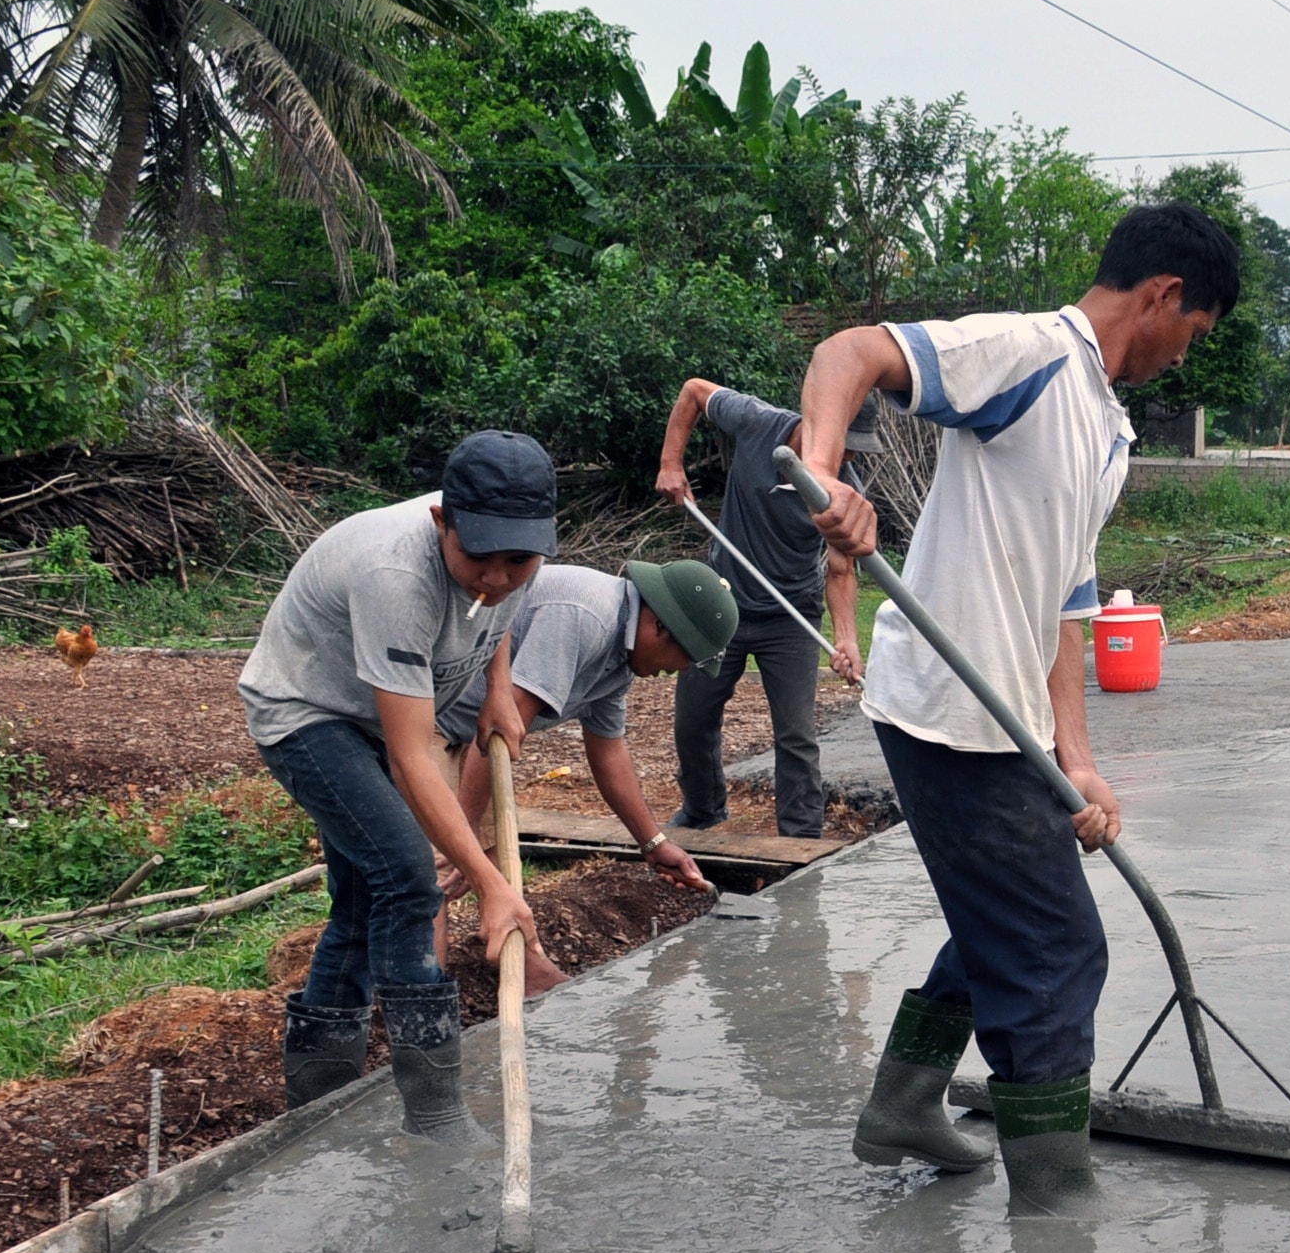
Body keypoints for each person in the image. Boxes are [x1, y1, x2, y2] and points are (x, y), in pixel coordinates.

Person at [782, 203, 1239, 1201]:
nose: (1180, 357)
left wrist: (1075, 754)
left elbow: (1065, 610)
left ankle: (904, 1104)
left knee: (1008, 916)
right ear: (1161, 297)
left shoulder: (1107, 430)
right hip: (945, 711)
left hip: (1010, 725)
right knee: (1056, 947)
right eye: (1191, 335)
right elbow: (849, 352)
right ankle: (1053, 1200)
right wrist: (822, 477)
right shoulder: (1030, 356)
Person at [239, 432, 553, 1138]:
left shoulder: (497, 561)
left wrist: (499, 686)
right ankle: (436, 1114)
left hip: (371, 715)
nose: (499, 578)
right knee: (409, 877)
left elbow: (491, 609)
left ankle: (319, 1106)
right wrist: (492, 883)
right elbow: (414, 756)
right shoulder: (397, 575)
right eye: (482, 558)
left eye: (521, 561)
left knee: (362, 900)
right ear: (444, 522)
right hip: (308, 713)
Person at [434, 557, 741, 983]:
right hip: (428, 717)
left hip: (471, 739)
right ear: (659, 626)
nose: (682, 671)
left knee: (495, 863)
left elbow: (608, 751)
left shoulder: (620, 656)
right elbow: (501, 732)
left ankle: (522, 970)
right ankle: (424, 1009)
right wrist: (460, 833)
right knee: (431, 873)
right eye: (685, 658)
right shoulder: (585, 618)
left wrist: (653, 843)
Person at [653, 383, 869, 839]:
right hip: (721, 603)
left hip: (791, 617)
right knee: (694, 717)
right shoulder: (756, 422)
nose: (848, 458)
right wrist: (671, 463)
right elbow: (692, 391)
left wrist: (847, 637)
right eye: (845, 445)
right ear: (819, 425)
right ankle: (703, 809)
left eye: (855, 450)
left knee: (796, 734)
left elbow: (841, 569)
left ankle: (801, 834)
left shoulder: (844, 490)